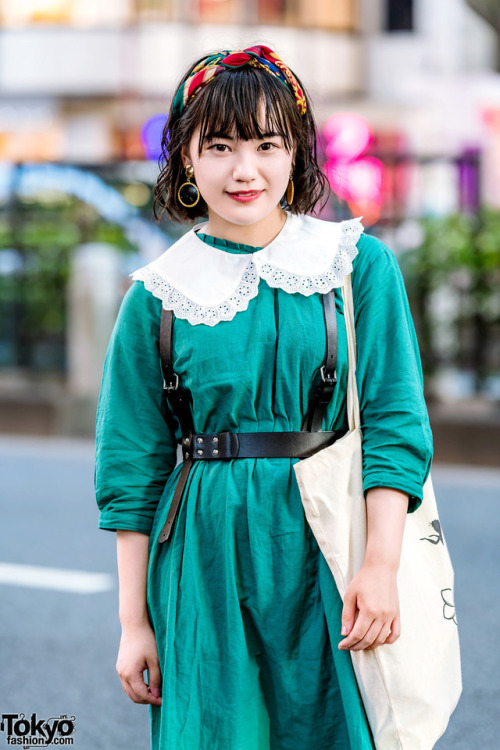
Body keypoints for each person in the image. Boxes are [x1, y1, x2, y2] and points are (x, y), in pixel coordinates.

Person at [94, 45, 433, 750]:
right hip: (202, 555)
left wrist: (381, 567)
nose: (243, 169)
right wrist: (134, 624)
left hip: (327, 544)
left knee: (332, 731)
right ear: (185, 156)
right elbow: (132, 470)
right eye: (217, 146)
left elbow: (395, 423)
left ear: (296, 150)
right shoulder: (157, 294)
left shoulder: (355, 265)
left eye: (265, 144)